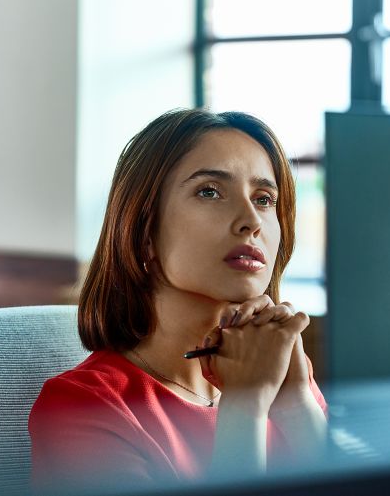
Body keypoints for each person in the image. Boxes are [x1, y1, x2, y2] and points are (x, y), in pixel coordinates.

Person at [28, 108, 328, 491]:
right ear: (143, 233)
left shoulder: (281, 375)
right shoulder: (80, 407)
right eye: (210, 191)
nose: (251, 220)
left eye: (265, 198)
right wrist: (246, 406)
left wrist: (297, 404)